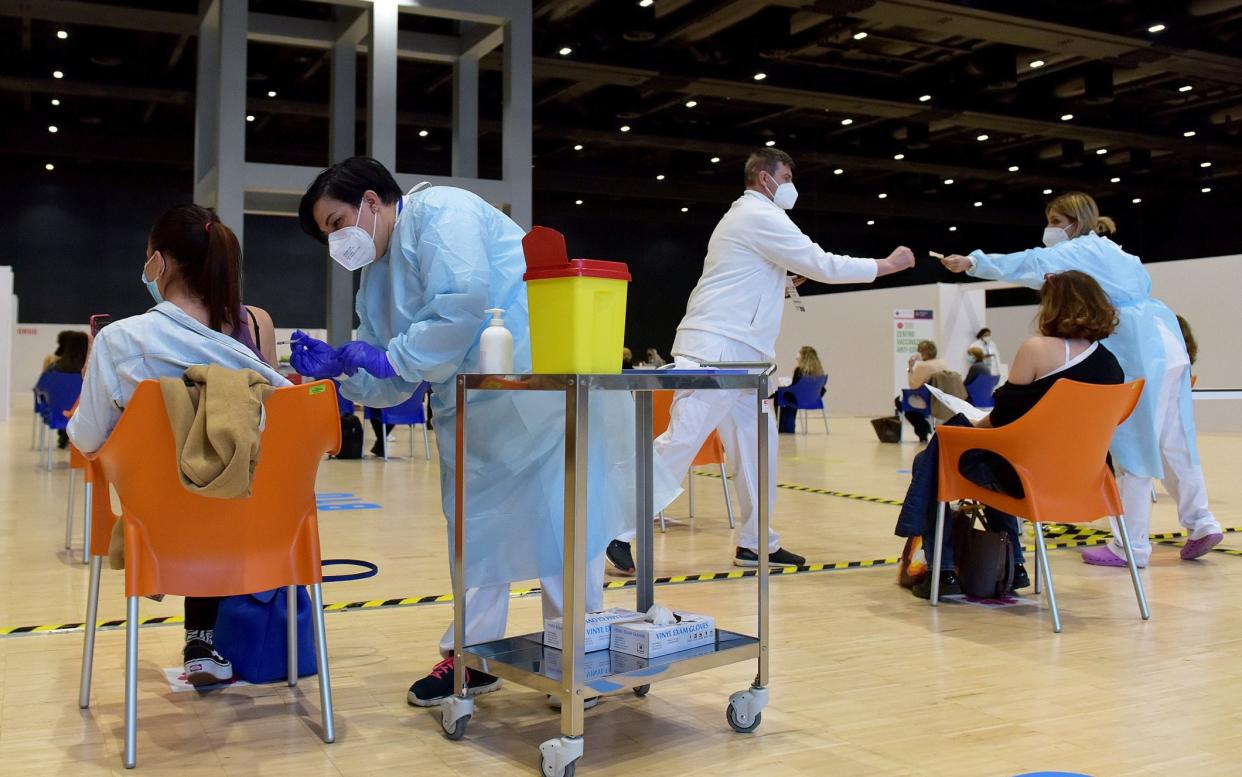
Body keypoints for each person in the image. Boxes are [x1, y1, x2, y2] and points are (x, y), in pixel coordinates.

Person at [291, 157, 664, 708]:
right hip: (472, 406)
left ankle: (577, 652)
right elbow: (394, 379)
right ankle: (473, 655)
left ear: (371, 201)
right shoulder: (375, 277)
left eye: (335, 222)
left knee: (562, 520)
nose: (336, 240)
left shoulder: (441, 212)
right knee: (473, 530)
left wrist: (391, 357)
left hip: (535, 386)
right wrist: (343, 371)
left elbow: (461, 306)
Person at [606, 147, 915, 575]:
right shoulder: (758, 215)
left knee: (757, 453)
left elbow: (749, 276)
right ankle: (614, 530)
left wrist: (782, 280)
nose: (791, 184)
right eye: (787, 175)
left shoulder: (750, 221)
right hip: (716, 348)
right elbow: (822, 262)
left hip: (746, 357)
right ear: (765, 178)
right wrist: (885, 266)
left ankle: (755, 544)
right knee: (681, 442)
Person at [66, 205, 288, 686]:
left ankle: (200, 638)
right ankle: (205, 640)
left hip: (158, 531)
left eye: (148, 257)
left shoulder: (121, 341)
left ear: (160, 263)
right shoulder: (251, 342)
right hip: (260, 529)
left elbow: (86, 439)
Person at [940, 192, 1221, 567]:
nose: (1051, 229)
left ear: (1076, 221)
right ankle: (1201, 521)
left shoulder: (1077, 252)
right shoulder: (1116, 251)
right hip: (1167, 340)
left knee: (1132, 446)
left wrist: (973, 262)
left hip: (1138, 347)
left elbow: (1029, 263)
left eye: (1056, 221)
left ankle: (1131, 546)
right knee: (1176, 439)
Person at [897, 270, 1125, 597]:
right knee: (964, 449)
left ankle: (942, 569)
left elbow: (1002, 419)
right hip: (1088, 480)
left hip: (1027, 477)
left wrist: (973, 426)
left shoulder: (1037, 349)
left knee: (942, 448)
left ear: (1052, 306)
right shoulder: (1111, 365)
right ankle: (1013, 568)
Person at [41, 331, 89, 448]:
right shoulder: (90, 372)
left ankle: (65, 434)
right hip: (85, 417)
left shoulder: (53, 369)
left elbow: (42, 391)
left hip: (57, 415)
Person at [898, 340, 946, 443]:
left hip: (926, 401)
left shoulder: (923, 366)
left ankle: (923, 431)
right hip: (938, 400)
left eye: (919, 350)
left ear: (925, 352)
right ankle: (925, 428)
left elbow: (913, 385)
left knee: (899, 404)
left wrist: (910, 368)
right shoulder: (942, 363)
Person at [776, 345, 825, 434]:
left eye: (800, 352)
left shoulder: (799, 370)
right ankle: (787, 426)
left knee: (778, 396)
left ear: (804, 356)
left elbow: (794, 389)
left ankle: (784, 427)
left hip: (798, 399)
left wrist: (784, 386)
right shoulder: (819, 372)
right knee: (786, 397)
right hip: (812, 400)